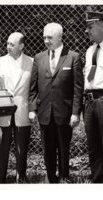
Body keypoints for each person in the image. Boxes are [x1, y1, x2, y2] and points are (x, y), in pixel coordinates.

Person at [28, 23, 84, 183]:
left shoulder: (73, 57)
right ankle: (51, 178)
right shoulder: (39, 58)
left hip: (65, 113)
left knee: (64, 147)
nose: (46, 40)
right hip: (45, 112)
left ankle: (64, 177)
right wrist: (32, 108)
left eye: (50, 37)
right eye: (44, 37)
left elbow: (77, 88)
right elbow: (32, 87)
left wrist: (75, 113)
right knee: (48, 149)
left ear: (60, 37)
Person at [0, 32, 33, 183]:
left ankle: (21, 177)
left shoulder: (32, 62)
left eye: (12, 44)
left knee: (22, 147)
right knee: (1, 146)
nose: (8, 46)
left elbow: (34, 89)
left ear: (21, 46)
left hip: (23, 110)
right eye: (7, 43)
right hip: (3, 110)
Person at [84, 11, 103, 183]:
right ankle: (98, 181)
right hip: (89, 102)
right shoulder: (90, 51)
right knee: (93, 144)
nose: (87, 31)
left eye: (90, 27)